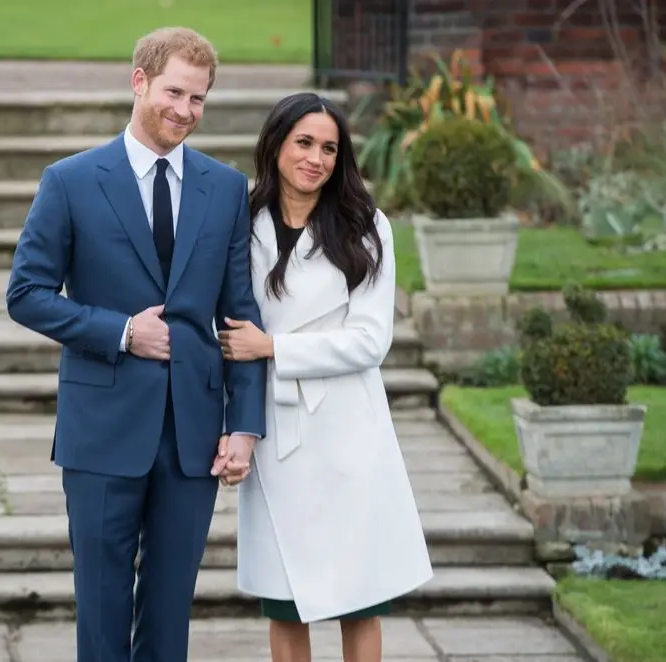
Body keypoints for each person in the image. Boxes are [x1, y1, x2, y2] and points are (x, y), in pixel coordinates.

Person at [5, 27, 267, 662]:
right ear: (140, 81)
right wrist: (121, 332)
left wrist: (246, 425)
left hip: (194, 433)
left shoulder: (226, 188)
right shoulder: (69, 181)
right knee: (100, 603)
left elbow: (241, 316)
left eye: (199, 99)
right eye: (175, 92)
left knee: (171, 605)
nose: (184, 111)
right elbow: (26, 292)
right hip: (101, 426)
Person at [217, 93, 434, 662]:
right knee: (283, 597)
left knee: (357, 597)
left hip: (345, 432)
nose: (316, 158)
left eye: (329, 148)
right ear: (277, 144)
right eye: (304, 143)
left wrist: (273, 347)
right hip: (275, 430)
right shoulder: (241, 221)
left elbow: (370, 341)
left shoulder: (365, 225)